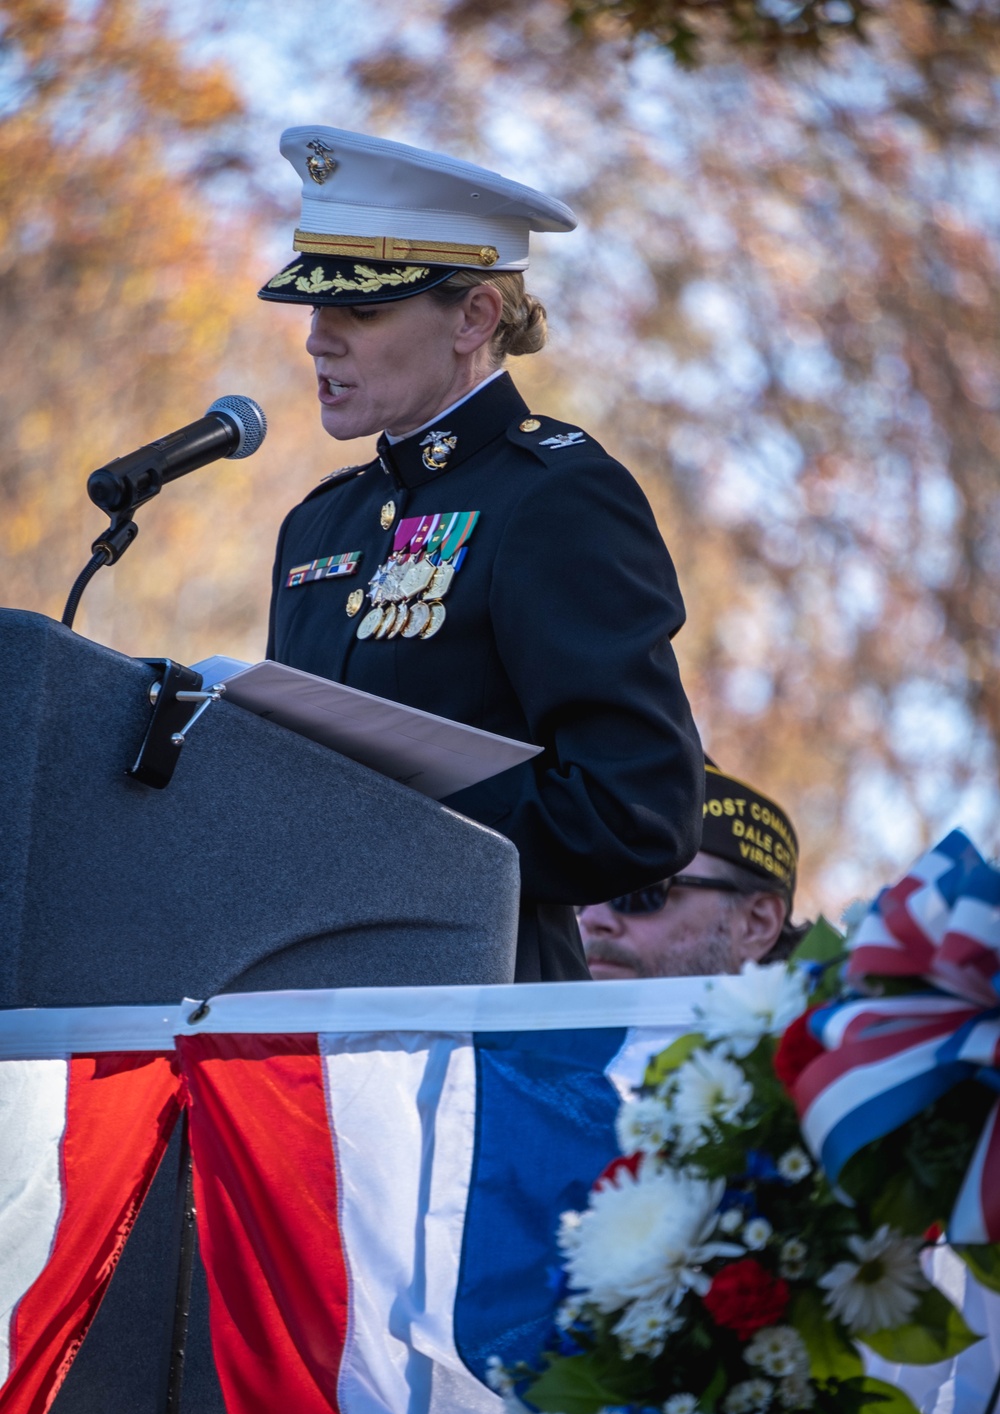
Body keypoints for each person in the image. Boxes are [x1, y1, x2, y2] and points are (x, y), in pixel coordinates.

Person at [260, 125, 703, 982]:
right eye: (315, 308)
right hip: (299, 1002)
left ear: (474, 317)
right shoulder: (321, 523)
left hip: (478, 1011)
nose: (319, 338)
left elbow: (635, 810)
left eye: (361, 308)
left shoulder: (556, 497)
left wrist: (368, 817)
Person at [579, 761, 807, 978]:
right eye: (581, 892)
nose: (591, 918)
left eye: (640, 891)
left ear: (755, 926)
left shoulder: (833, 1019)